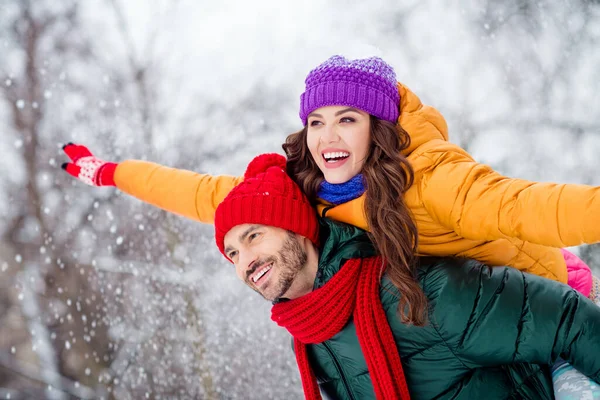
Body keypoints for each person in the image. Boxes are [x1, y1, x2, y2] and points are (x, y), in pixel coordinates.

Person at [213, 152, 600, 400]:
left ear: (297, 229)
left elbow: (570, 320)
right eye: (232, 252)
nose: (244, 260)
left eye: (253, 236)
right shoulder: (313, 336)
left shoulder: (419, 289)